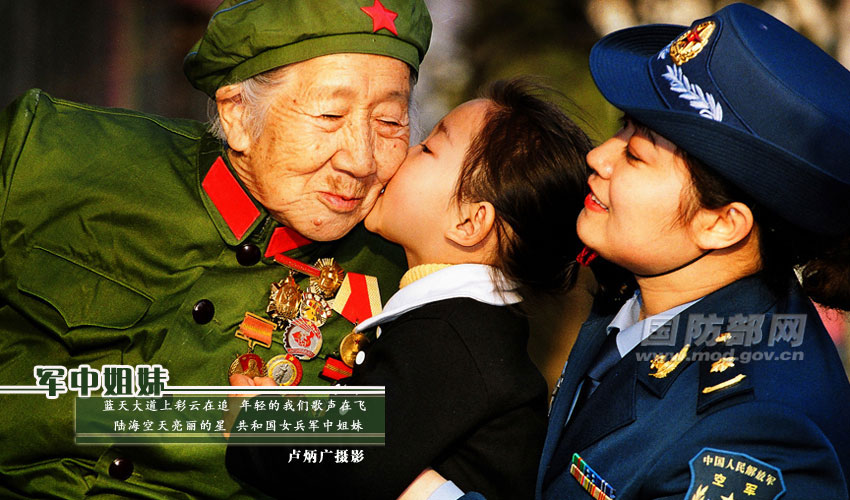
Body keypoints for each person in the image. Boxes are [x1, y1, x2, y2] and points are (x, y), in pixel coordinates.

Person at [0, 0, 431, 497]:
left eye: (390, 123)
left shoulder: (403, 287)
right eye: (330, 114)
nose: (360, 159)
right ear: (238, 116)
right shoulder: (59, 159)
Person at [225, 78, 593, 500]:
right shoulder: (463, 326)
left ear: (469, 223)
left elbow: (344, 471)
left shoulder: (451, 340)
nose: (404, 153)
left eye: (430, 148)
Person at [538, 3, 850, 499]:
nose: (597, 157)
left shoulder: (759, 427)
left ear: (723, 224)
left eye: (637, 154)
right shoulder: (646, 289)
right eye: (622, 127)